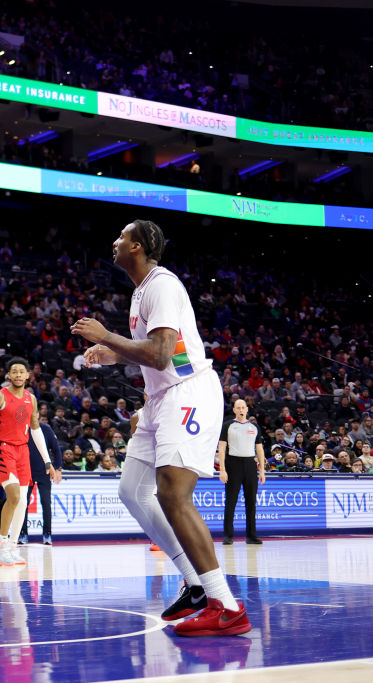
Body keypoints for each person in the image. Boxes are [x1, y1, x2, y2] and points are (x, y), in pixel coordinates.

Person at [73, 219, 249, 637]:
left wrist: (107, 336)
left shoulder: (162, 285)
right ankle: (195, 584)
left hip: (188, 393)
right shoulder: (141, 291)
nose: (114, 241)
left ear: (137, 246)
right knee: (132, 491)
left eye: (121, 236)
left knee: (172, 492)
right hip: (160, 398)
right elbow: (162, 351)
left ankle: (226, 606)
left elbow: (160, 355)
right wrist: (115, 355)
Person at [0, 357, 61, 566]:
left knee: (23, 502)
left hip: (23, 451)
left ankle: (12, 547)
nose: (18, 375)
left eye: (21, 371)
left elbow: (35, 429)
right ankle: (1, 545)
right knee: (14, 496)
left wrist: (47, 461)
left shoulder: (31, 399)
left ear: (28, 375)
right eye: (14, 371)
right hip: (3, 449)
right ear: (9, 375)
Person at [218, 399, 265, 545]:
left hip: (250, 464)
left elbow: (259, 449)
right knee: (230, 501)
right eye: (238, 408)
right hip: (233, 464)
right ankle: (228, 535)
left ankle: (251, 535)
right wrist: (222, 470)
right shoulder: (228, 426)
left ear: (247, 409)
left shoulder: (254, 427)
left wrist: (262, 471)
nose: (241, 410)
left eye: (243, 407)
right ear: (234, 410)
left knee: (251, 502)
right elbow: (221, 449)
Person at [19, 417, 63, 545]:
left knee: (46, 503)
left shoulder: (46, 429)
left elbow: (56, 449)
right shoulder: (22, 428)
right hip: (26, 472)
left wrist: (58, 468)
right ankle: (23, 534)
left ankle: (47, 534)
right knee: (23, 503)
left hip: (45, 472)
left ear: (37, 414)